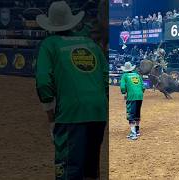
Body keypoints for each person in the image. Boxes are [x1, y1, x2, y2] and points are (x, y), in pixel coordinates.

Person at [35, 1, 108, 179]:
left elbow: (43, 82)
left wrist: (51, 119)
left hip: (71, 112)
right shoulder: (90, 44)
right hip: (98, 111)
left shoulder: (50, 44)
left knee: (68, 168)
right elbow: (106, 79)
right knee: (91, 167)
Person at [120, 62, 145, 140]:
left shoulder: (125, 76)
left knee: (131, 115)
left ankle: (133, 134)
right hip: (140, 96)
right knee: (137, 113)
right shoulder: (137, 75)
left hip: (132, 97)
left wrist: (124, 93)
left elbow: (122, 87)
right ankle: (137, 131)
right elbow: (143, 87)